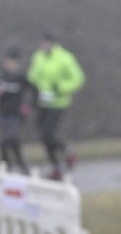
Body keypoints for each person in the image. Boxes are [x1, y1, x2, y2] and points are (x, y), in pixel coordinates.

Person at [27, 31, 86, 180]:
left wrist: (60, 88)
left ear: (53, 43)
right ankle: (56, 165)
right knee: (43, 136)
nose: (44, 46)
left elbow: (78, 78)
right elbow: (32, 76)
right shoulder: (38, 57)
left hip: (58, 103)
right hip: (42, 101)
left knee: (49, 133)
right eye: (42, 43)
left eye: (47, 43)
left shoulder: (65, 58)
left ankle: (67, 152)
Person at [0, 46, 33, 174]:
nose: (10, 65)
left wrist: (28, 106)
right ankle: (10, 165)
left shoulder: (22, 77)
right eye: (8, 61)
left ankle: (18, 165)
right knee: (8, 141)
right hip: (3, 113)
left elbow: (34, 91)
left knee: (9, 138)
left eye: (13, 62)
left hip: (16, 114)